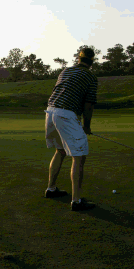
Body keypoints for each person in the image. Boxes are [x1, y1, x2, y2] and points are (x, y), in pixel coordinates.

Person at [44, 48, 98, 211]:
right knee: (79, 157)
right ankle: (76, 200)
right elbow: (88, 105)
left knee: (60, 151)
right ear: (92, 61)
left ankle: (51, 189)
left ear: (78, 59)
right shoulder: (90, 77)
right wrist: (86, 126)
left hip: (50, 111)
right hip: (66, 114)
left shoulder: (65, 71)